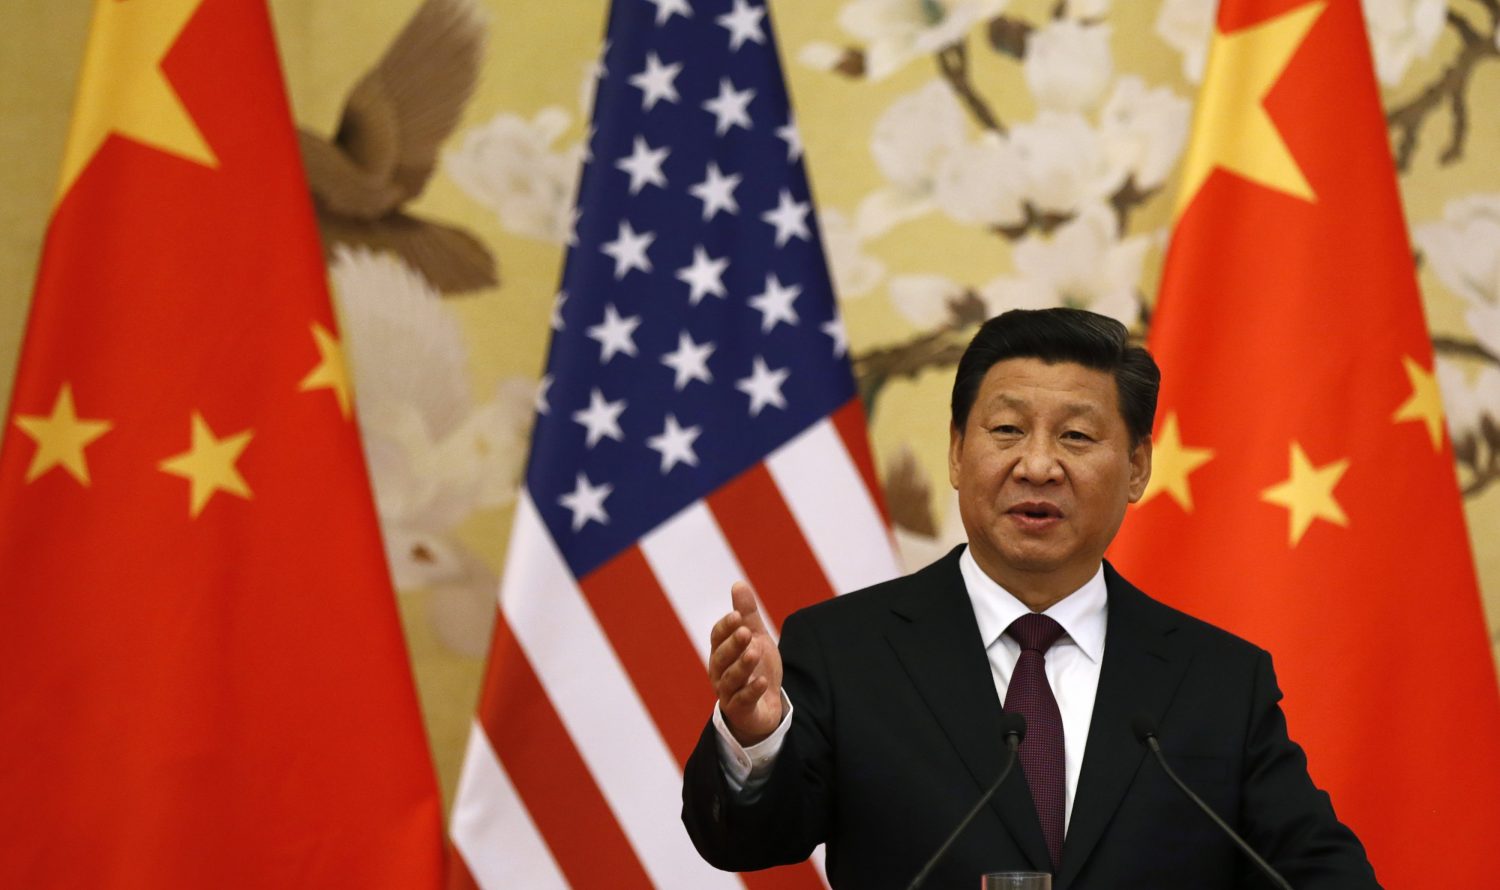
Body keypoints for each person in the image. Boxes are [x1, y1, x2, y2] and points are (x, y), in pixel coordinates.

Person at [681, 308, 1380, 889]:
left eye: (1076, 436)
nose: (1038, 464)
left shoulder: (1218, 680)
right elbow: (744, 842)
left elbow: (1322, 873)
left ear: (1136, 468)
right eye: (1007, 430)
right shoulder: (846, 650)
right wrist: (755, 736)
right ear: (957, 452)